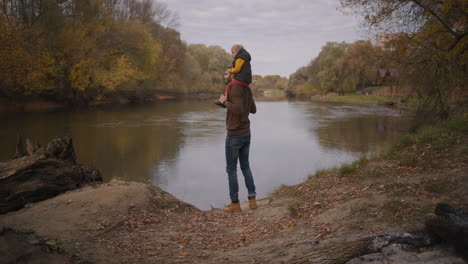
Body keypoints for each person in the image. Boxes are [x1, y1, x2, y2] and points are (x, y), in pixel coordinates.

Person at [218, 67, 257, 212]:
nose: (225, 76)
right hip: (246, 133)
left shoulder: (234, 88)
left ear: (234, 74)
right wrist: (228, 104)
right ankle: (252, 200)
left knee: (231, 169)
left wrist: (225, 102)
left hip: (234, 135)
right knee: (245, 166)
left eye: (227, 73)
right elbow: (253, 109)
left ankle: (235, 203)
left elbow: (238, 109)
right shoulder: (246, 89)